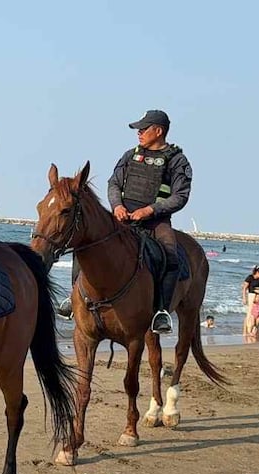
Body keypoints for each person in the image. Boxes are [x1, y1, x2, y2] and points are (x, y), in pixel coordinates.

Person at [57, 109, 193, 335]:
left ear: (158, 131)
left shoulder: (178, 161)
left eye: (144, 128)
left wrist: (150, 210)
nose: (139, 133)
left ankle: (161, 312)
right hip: (123, 216)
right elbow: (114, 184)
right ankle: (74, 298)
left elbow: (180, 196)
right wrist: (117, 206)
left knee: (170, 253)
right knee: (84, 241)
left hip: (155, 221)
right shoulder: (130, 155)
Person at [242, 265, 259, 335]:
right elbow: (244, 288)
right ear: (257, 272)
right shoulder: (250, 277)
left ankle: (256, 330)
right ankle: (246, 331)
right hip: (252, 296)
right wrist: (244, 298)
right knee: (250, 314)